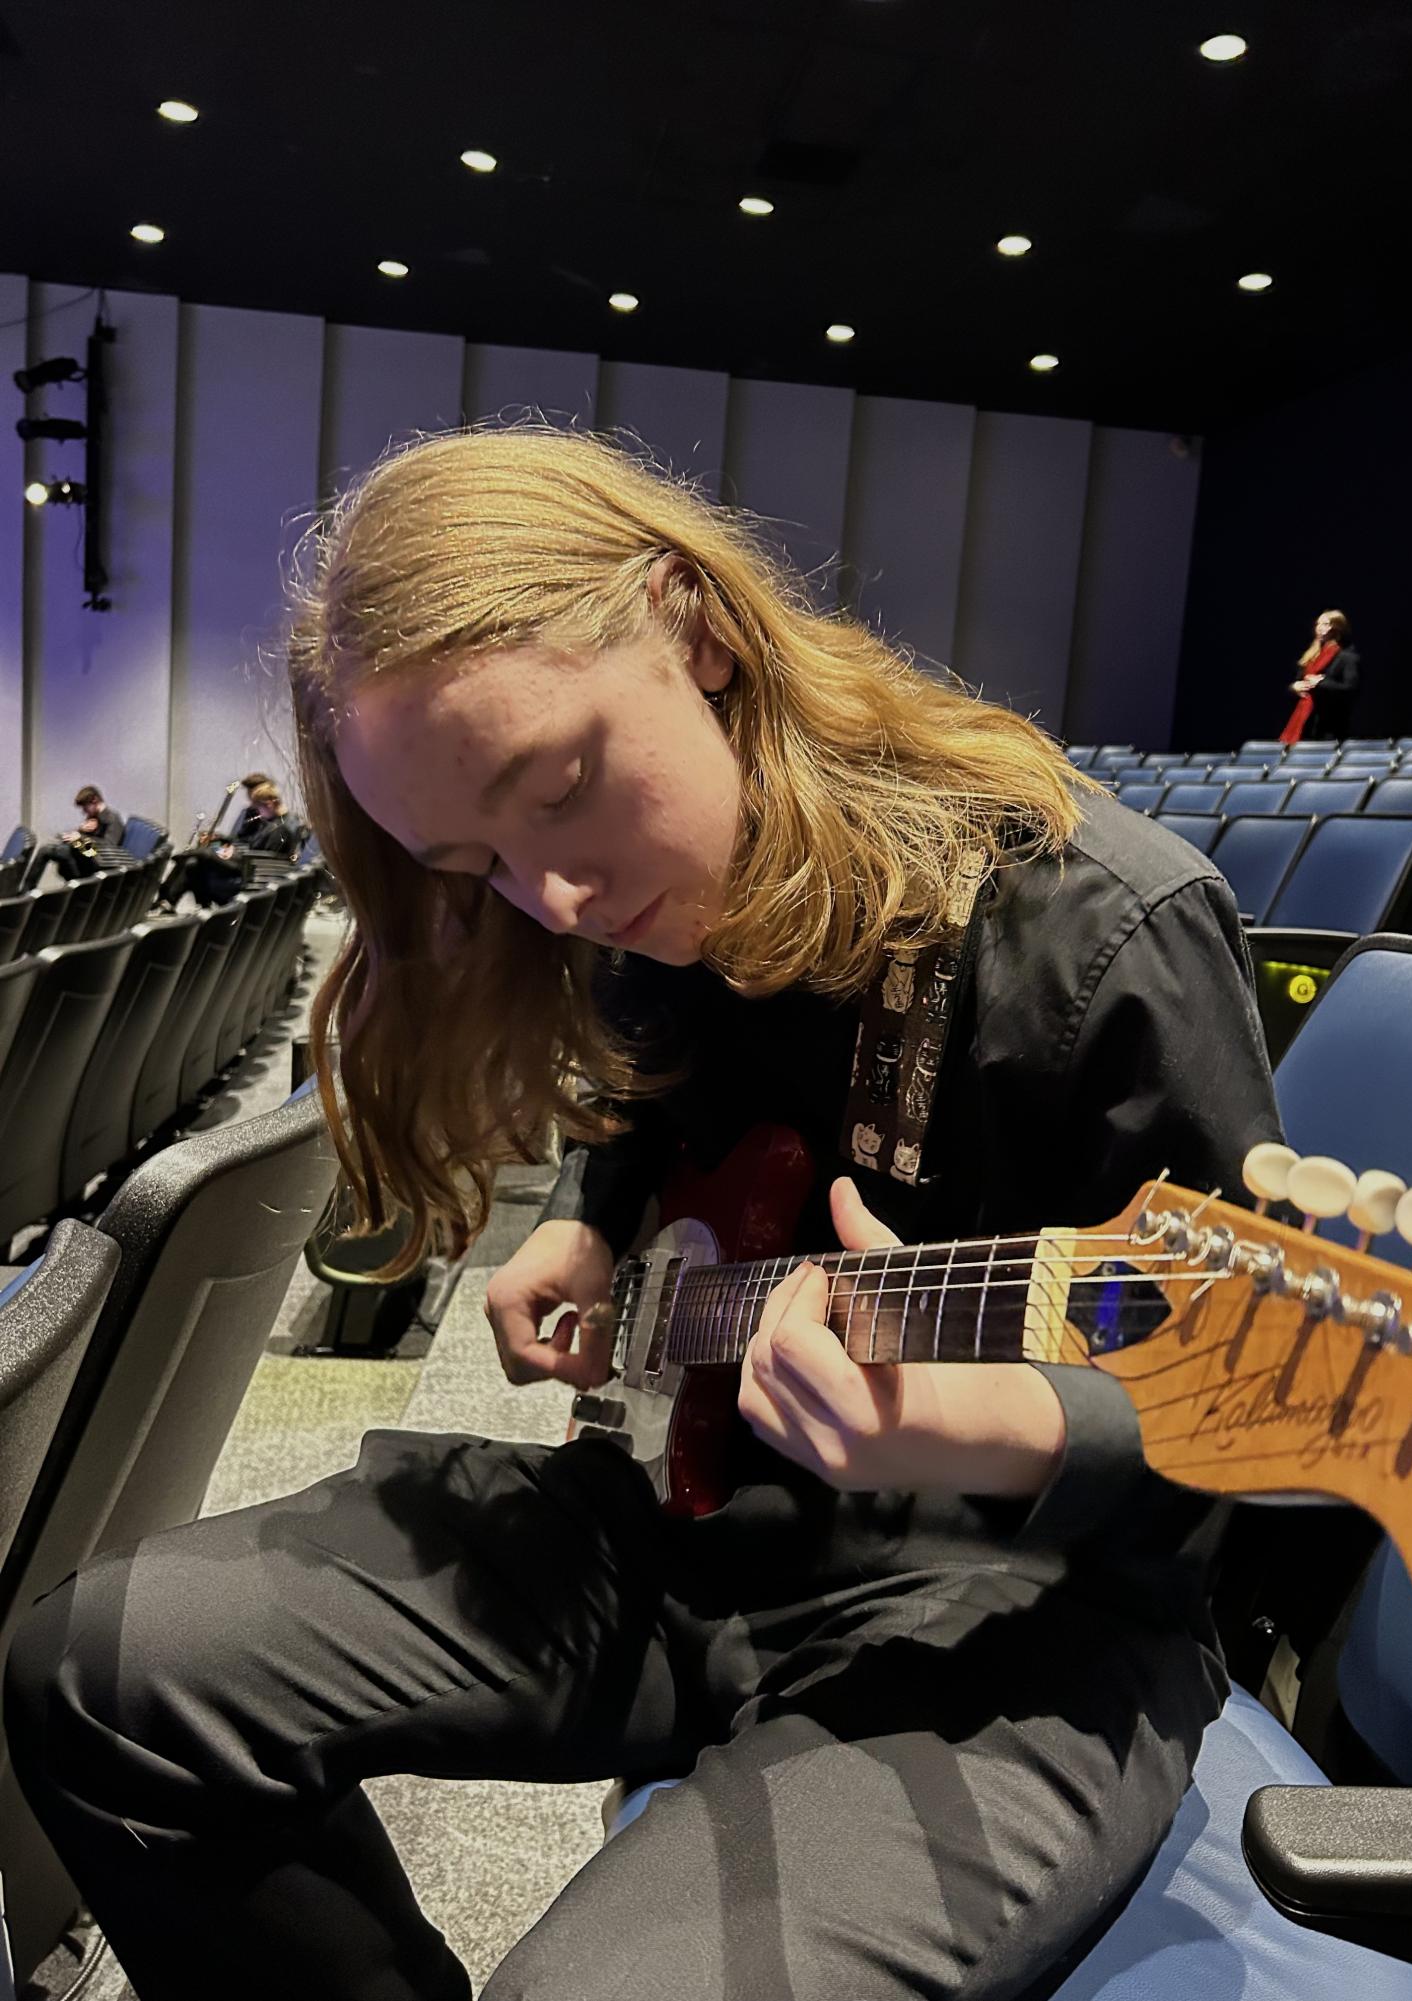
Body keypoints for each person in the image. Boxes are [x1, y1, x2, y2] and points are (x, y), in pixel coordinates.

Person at [6, 427, 1283, 2001]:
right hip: (688, 1530)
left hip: (1016, 1627)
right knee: (102, 1674)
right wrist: (595, 1217)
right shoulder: (631, 902)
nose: (555, 898)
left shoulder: (1108, 928)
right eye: (475, 863)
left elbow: (1263, 1424)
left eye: (559, 791)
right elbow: (664, 1110)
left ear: (696, 627)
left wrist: (995, 1424)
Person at [155, 781, 299, 909]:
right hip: (244, 862)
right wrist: (219, 841)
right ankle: (167, 899)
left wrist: (225, 849)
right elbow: (246, 842)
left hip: (250, 872)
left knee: (203, 855)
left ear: (270, 803)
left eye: (258, 807)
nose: (257, 812)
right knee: (194, 862)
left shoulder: (281, 829)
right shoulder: (272, 822)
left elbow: (264, 860)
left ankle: (179, 866)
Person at [19, 783, 125, 889]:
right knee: (49, 849)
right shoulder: (94, 817)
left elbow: (109, 847)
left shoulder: (112, 818)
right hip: (84, 857)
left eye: (85, 807)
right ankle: (27, 890)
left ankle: (25, 891)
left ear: (94, 800)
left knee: (45, 851)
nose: (84, 812)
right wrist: (79, 832)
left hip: (96, 863)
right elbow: (87, 844)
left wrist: (80, 838)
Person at [1278, 608, 1360, 743]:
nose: (1320, 628)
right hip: (1306, 722)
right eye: (1318, 624)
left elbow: (1351, 689)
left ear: (1337, 628)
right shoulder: (1311, 656)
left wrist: (1320, 684)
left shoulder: (1348, 657)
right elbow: (1299, 682)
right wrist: (1295, 687)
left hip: (1329, 726)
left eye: (1326, 624)